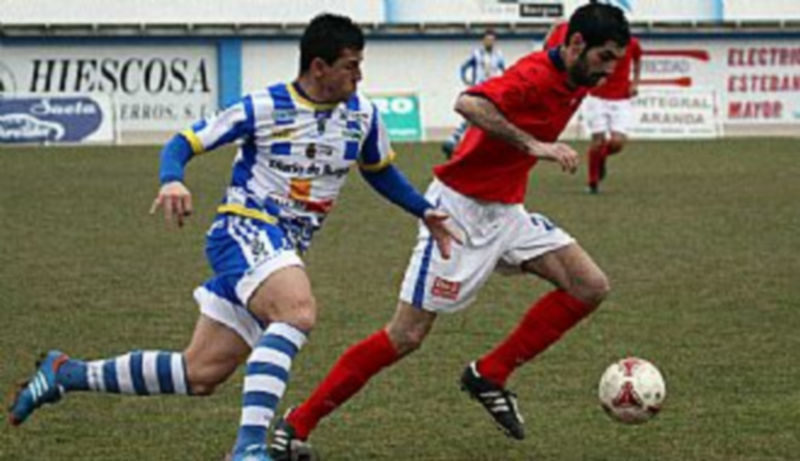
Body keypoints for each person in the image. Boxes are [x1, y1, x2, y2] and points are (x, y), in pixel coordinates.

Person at [6, 14, 458, 461]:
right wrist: (171, 179)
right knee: (296, 311)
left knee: (200, 372)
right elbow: (184, 142)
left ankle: (66, 373)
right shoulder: (263, 107)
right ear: (318, 67)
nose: (359, 76)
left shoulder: (362, 116)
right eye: (350, 66)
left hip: (281, 250)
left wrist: (424, 211)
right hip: (243, 230)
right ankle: (248, 450)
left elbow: (379, 172)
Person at [269, 4, 630, 459]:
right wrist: (533, 145)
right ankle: (296, 424)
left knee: (589, 286)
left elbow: (565, 26)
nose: (609, 71)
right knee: (405, 336)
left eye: (617, 59)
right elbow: (467, 103)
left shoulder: (574, 60)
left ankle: (490, 374)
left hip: (506, 211)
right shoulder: (535, 75)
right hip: (458, 211)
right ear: (576, 45)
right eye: (605, 58)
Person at [544, 12, 642, 194]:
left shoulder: (633, 44)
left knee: (617, 143)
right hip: (597, 96)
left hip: (621, 98)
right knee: (597, 141)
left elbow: (637, 61)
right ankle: (593, 182)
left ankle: (599, 160)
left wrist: (635, 82)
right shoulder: (598, 42)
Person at [442, 29, 506, 158]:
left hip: (492, 90)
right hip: (479, 89)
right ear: (484, 41)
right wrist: (468, 81)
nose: (490, 42)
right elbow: (464, 67)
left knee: (485, 117)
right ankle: (454, 140)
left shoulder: (498, 55)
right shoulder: (477, 54)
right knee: (473, 115)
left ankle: (457, 141)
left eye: (492, 40)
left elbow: (504, 71)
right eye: (488, 39)